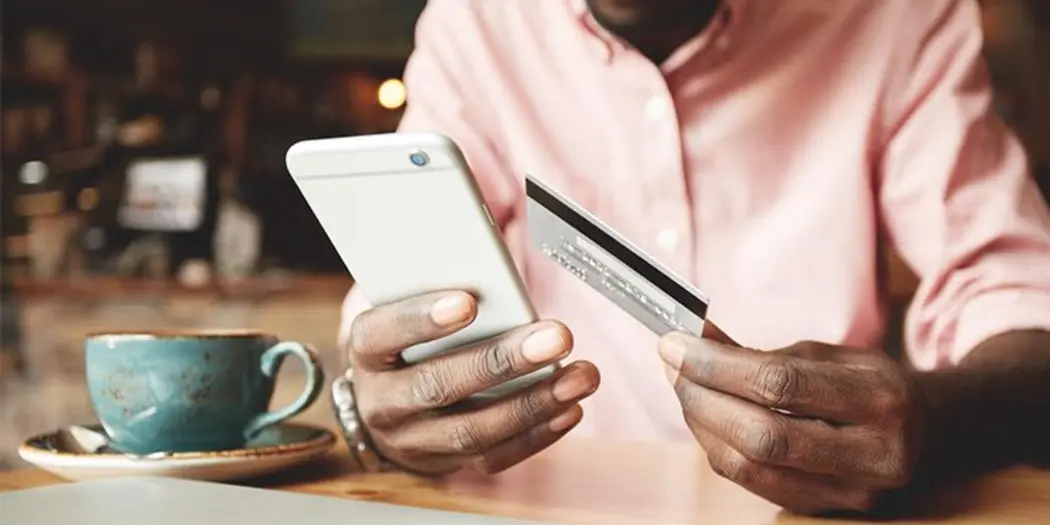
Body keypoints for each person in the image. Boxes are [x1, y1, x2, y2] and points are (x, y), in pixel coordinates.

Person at [330, 0, 1050, 515]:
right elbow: (405, 299)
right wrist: (384, 406)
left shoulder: (895, 16)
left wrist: (937, 421)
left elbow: (1019, 298)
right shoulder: (476, 26)